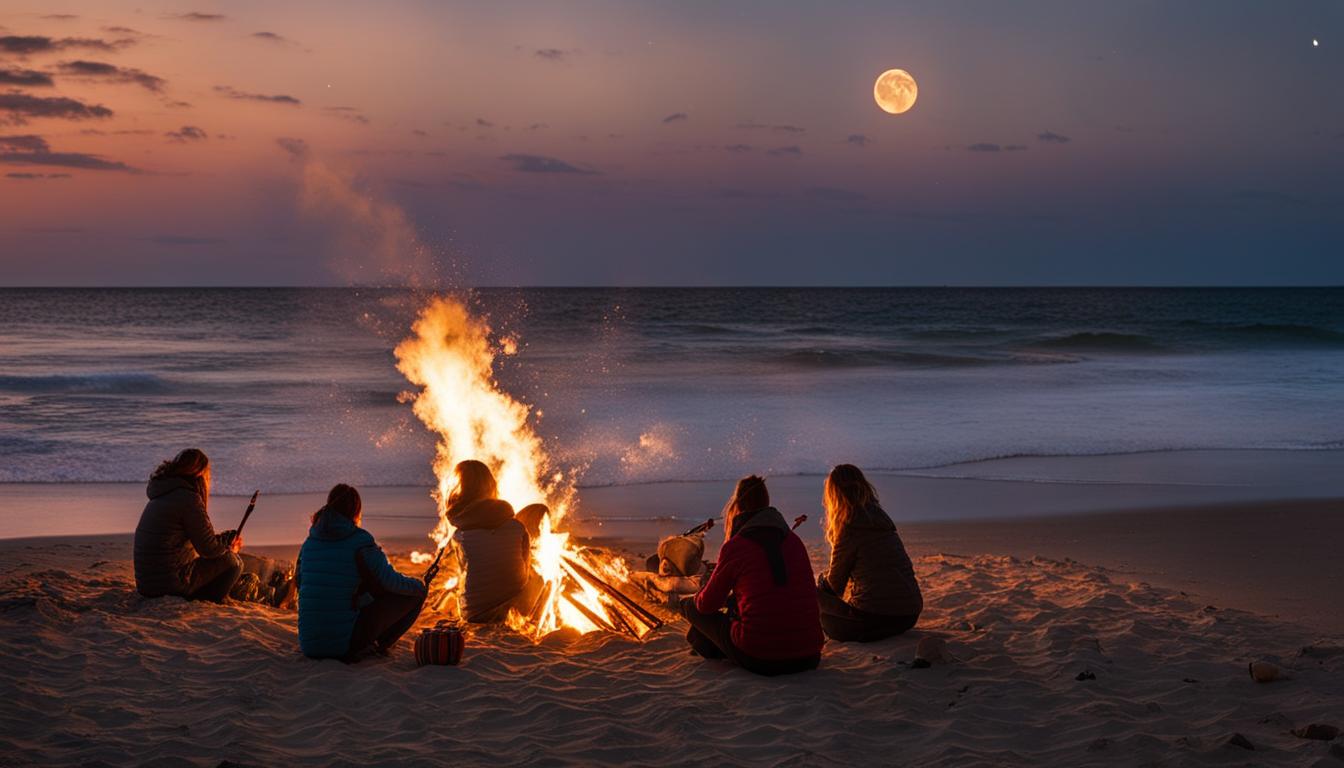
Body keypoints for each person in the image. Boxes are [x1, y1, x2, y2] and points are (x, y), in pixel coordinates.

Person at [680, 475, 824, 676]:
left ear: (737, 506)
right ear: (766, 503)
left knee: (690, 607)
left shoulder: (737, 545)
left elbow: (706, 605)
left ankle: (706, 644)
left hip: (761, 657)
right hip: (809, 654)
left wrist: (700, 594)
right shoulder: (793, 540)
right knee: (727, 613)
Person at [297, 484, 427, 662]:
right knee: (416, 594)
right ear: (356, 510)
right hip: (342, 647)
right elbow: (390, 581)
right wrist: (420, 584)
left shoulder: (309, 542)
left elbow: (300, 582)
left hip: (309, 645)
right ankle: (381, 644)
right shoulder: (360, 541)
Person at [816, 464, 922, 642]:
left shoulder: (849, 527)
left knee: (817, 603)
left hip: (874, 618)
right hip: (909, 614)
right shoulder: (880, 518)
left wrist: (822, 583)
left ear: (834, 495)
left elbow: (835, 587)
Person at [134, 448, 243, 602]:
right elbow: (209, 550)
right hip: (168, 584)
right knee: (234, 562)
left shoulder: (163, 492)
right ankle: (208, 600)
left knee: (227, 556)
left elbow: (200, 542)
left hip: (147, 585)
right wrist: (229, 547)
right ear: (199, 473)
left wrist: (225, 540)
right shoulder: (188, 499)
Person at [445, 460, 537, 623]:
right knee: (537, 578)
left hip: (474, 614)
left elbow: (465, 571)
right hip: (514, 608)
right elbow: (525, 569)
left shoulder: (459, 536)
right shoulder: (518, 527)